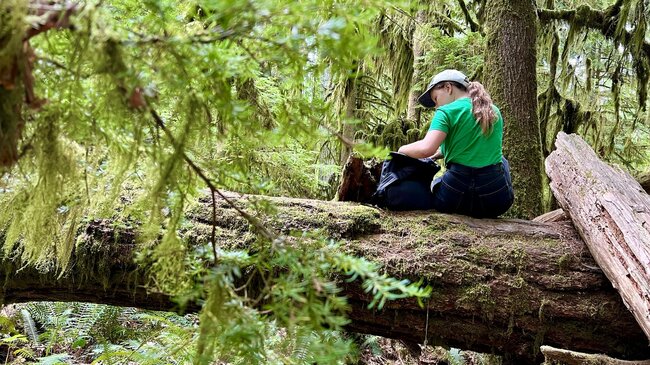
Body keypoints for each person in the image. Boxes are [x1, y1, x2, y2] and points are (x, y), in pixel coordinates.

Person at [398, 69, 514, 218]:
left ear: (448, 88)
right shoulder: (493, 111)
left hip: (454, 199)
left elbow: (426, 149)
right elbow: (477, 147)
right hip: (494, 201)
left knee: (437, 183)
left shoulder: (446, 112)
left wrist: (402, 148)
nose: (436, 106)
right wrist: (442, 151)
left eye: (435, 99)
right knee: (502, 161)